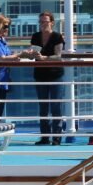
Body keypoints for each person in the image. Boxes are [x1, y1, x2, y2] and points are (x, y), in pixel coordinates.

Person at [0, 14, 32, 123]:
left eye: (8, 27)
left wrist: (16, 57)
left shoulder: (1, 40)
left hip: (2, 81)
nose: (7, 29)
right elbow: (2, 58)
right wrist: (20, 54)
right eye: (5, 26)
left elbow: (8, 57)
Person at [30, 11, 66, 145]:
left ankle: (57, 137)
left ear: (52, 23)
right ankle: (45, 137)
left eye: (45, 21)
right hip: (40, 75)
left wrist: (44, 58)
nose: (43, 24)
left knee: (56, 106)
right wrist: (31, 55)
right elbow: (33, 52)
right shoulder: (36, 36)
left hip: (55, 74)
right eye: (41, 22)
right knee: (43, 107)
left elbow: (58, 56)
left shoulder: (57, 37)